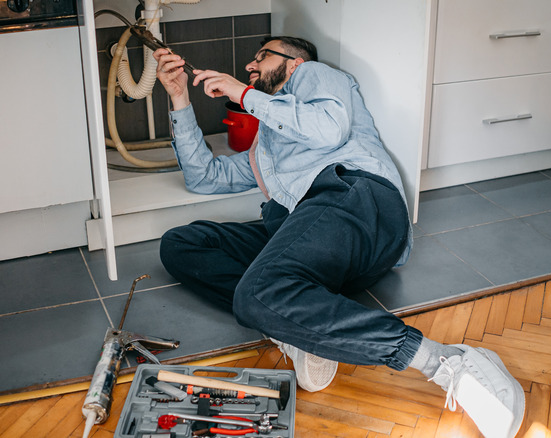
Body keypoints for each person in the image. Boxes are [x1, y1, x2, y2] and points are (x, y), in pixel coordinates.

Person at [153, 36, 525, 438]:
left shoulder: (316, 77)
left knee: (255, 294)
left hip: (354, 200)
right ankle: (294, 327)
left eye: (262, 56)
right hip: (304, 232)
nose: (250, 66)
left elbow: (328, 130)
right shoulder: (266, 146)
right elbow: (203, 177)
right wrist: (178, 99)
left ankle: (448, 362)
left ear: (293, 64)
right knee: (181, 244)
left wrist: (243, 94)